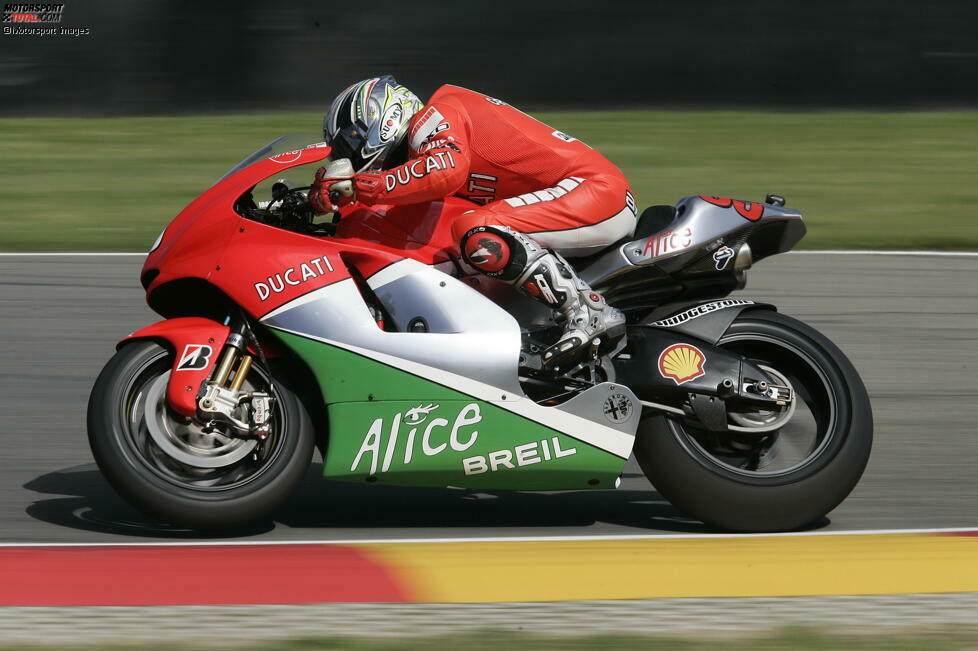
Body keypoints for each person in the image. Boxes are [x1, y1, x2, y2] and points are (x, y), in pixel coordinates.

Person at [310, 75, 637, 370]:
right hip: (581, 195)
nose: (349, 159)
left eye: (350, 143)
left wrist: (362, 187)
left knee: (476, 228)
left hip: (592, 189)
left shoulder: (436, 115)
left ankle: (588, 310)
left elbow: (443, 172)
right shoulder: (425, 142)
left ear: (383, 116)